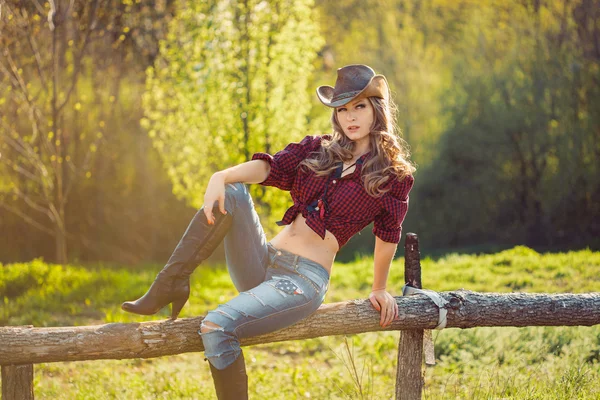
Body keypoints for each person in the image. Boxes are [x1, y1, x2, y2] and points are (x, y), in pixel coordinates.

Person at [121, 64, 415, 400]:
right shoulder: (318, 148)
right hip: (263, 262)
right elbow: (270, 167)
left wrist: (379, 288)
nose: (350, 117)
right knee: (233, 191)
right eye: (343, 109)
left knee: (216, 325)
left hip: (301, 282)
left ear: (376, 109)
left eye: (359, 106)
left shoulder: (393, 175)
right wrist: (221, 176)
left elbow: (388, 234)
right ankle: (170, 283)